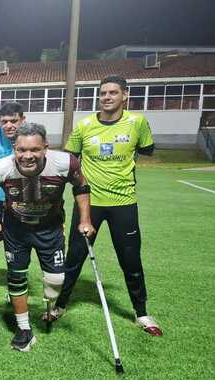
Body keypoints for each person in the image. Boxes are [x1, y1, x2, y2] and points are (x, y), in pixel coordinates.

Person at [50, 75, 162, 336]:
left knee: (130, 259)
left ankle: (142, 312)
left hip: (124, 202)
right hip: (88, 204)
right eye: (103, 93)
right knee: (74, 257)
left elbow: (147, 149)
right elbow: (70, 161)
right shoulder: (85, 125)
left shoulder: (137, 123)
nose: (107, 97)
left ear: (125, 95)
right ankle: (59, 305)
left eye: (113, 93)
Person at [0, 123, 95, 352]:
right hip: (16, 230)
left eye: (34, 150)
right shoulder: (0, 167)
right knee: (16, 277)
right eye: (21, 150)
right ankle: (24, 329)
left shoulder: (65, 163)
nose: (27, 156)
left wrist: (85, 220)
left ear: (46, 147)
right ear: (14, 148)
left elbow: (81, 187)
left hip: (50, 229)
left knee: (55, 281)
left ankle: (50, 306)